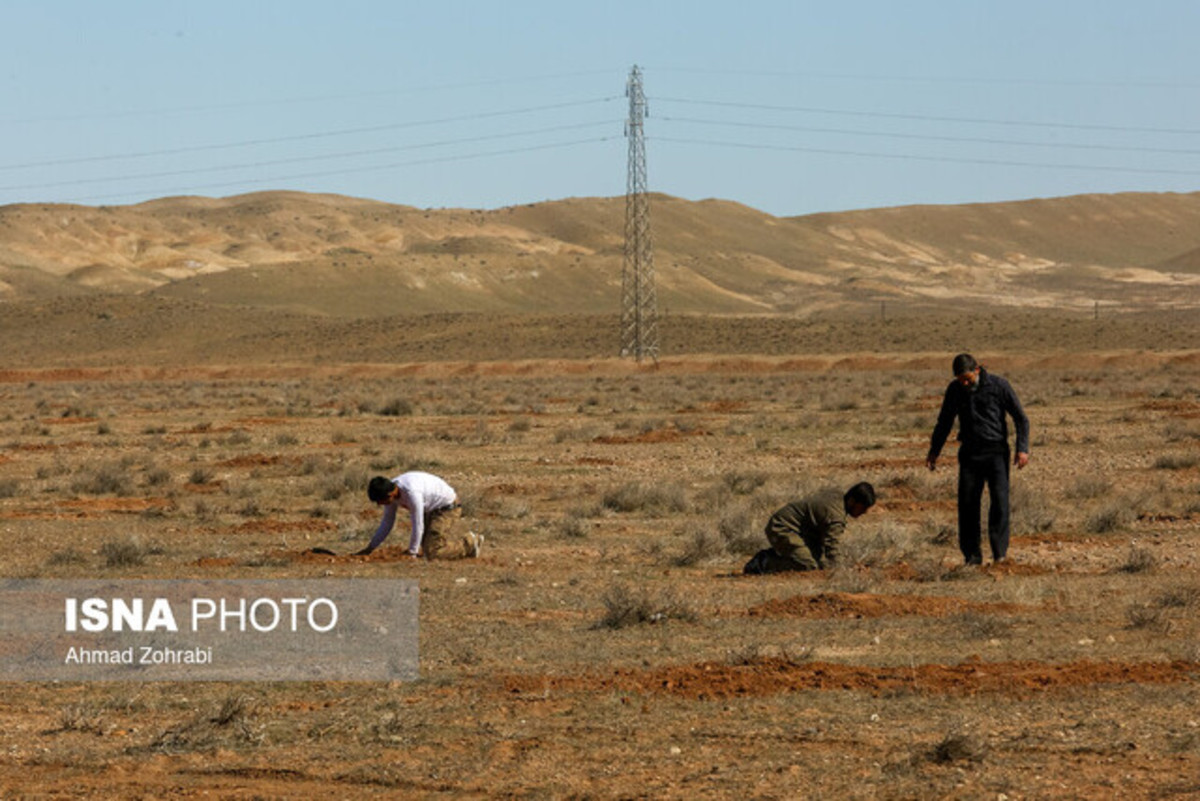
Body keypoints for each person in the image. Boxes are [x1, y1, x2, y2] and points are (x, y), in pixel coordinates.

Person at [926, 353, 1030, 565]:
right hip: (970, 453)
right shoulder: (955, 390)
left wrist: (1023, 449)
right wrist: (934, 451)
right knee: (968, 505)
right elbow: (944, 421)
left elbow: (1021, 418)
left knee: (1000, 503)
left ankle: (1000, 555)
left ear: (977, 370)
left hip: (996, 452)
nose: (964, 383)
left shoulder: (999, 386)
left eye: (967, 378)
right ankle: (972, 557)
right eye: (960, 379)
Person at [743, 482, 876, 574]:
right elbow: (832, 549)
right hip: (781, 528)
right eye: (863, 507)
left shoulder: (838, 498)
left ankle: (776, 555)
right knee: (807, 565)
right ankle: (763, 562)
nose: (864, 512)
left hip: (797, 530)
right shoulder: (836, 515)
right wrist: (843, 570)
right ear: (852, 501)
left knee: (817, 559)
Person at [358, 471, 482, 559]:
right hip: (430, 509)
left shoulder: (412, 493)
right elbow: (387, 522)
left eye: (381, 502)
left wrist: (412, 552)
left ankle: (470, 542)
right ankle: (467, 547)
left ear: (390, 494)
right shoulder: (391, 492)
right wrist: (370, 548)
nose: (380, 505)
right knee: (427, 546)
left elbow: (418, 524)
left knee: (433, 552)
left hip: (447, 508)